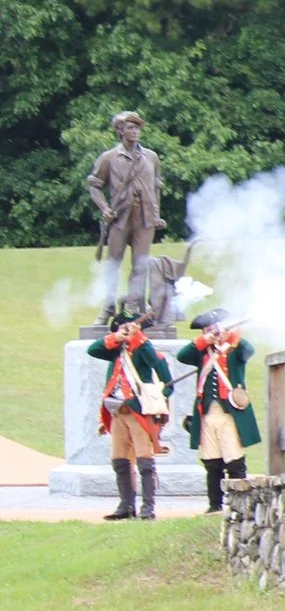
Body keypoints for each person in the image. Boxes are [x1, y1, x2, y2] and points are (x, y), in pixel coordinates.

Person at [89, 308, 173, 521]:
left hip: (139, 411)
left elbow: (164, 375)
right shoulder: (116, 350)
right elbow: (93, 349)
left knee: (144, 460)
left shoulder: (144, 348)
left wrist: (139, 338)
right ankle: (126, 506)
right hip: (117, 411)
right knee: (119, 460)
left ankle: (148, 508)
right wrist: (117, 337)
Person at [177, 308, 258, 513]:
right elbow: (182, 356)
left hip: (230, 413)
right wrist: (205, 340)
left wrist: (230, 336)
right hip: (206, 414)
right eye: (206, 330)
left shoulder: (234, 349)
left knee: (234, 460)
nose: (210, 333)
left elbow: (248, 350)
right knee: (211, 461)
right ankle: (215, 505)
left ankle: (240, 505)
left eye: (212, 329)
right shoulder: (202, 351)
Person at [85, 112, 163, 322]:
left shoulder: (151, 157)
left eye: (137, 127)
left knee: (141, 265)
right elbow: (94, 185)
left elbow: (156, 187)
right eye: (130, 127)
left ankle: (132, 308)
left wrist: (156, 214)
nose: (135, 131)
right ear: (120, 131)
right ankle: (108, 307)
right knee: (113, 264)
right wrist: (104, 208)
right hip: (120, 217)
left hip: (144, 218)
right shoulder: (109, 158)